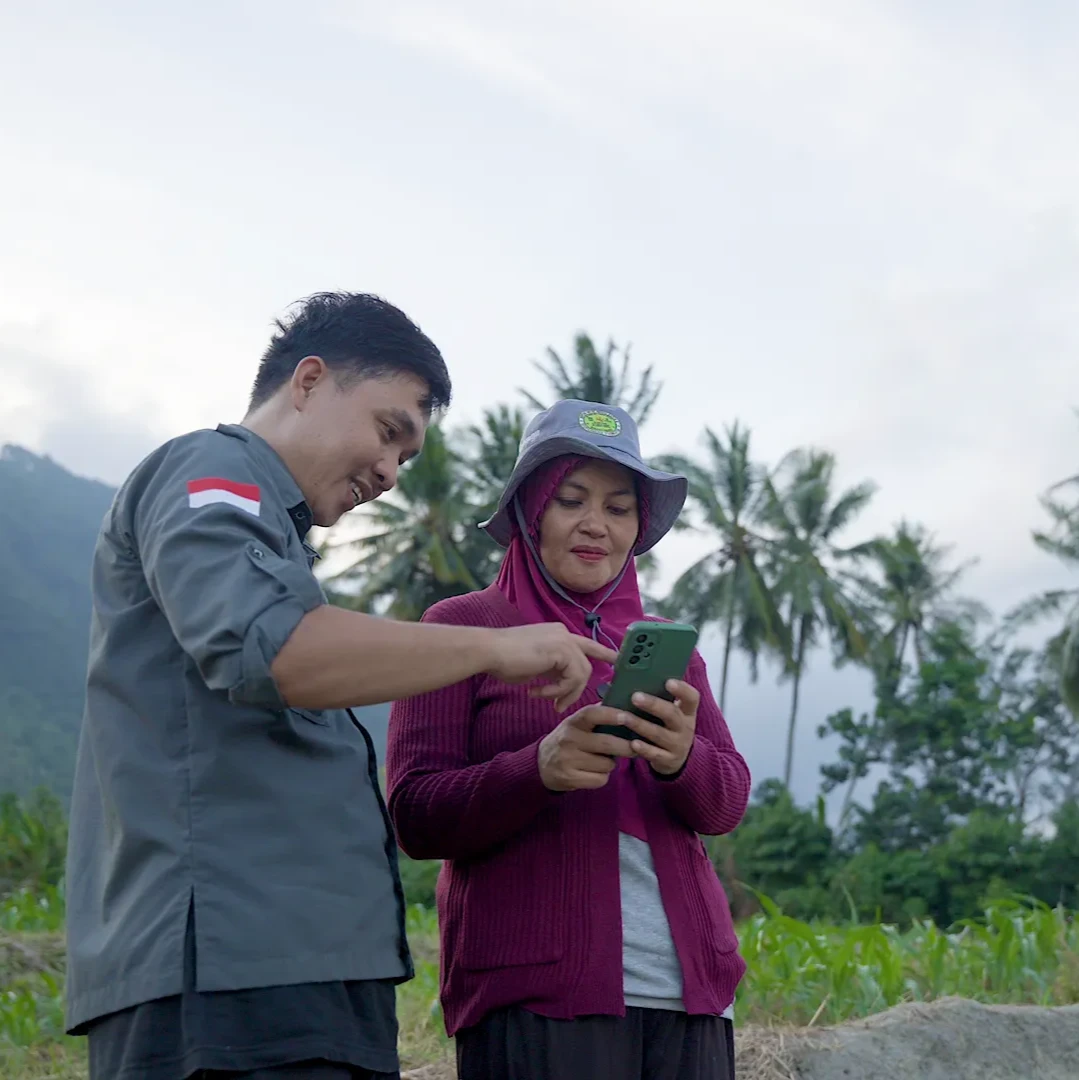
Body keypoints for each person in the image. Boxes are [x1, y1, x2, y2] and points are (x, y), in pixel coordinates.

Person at [64, 293, 617, 1080]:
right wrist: (492, 647)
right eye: (389, 431)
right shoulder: (209, 470)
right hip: (229, 982)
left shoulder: (286, 551)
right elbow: (274, 649)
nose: (390, 471)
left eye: (408, 457)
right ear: (310, 381)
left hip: (294, 979)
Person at [386, 399, 752, 1080]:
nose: (595, 525)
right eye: (571, 499)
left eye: (618, 507)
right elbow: (413, 813)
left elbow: (725, 803)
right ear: (531, 510)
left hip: (689, 994)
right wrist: (537, 769)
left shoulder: (666, 648)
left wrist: (682, 760)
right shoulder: (463, 628)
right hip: (534, 995)